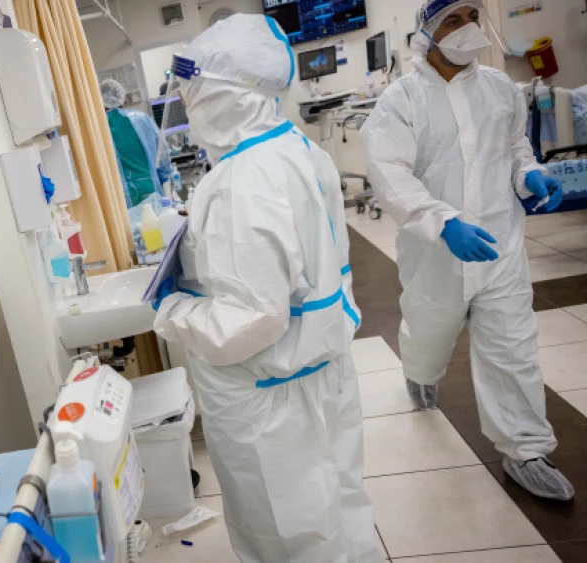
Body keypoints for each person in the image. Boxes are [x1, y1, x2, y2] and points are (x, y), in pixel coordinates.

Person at [152, 14, 380, 562]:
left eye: (195, 89)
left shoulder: (240, 182)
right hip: (321, 373)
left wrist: (172, 308)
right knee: (340, 507)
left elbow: (252, 321)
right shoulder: (297, 149)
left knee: (288, 534)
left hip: (267, 397)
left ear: (230, 93)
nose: (188, 101)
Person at [360, 0, 573, 501]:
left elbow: (515, 147)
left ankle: (525, 449)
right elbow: (389, 172)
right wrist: (442, 220)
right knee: (430, 327)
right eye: (452, 21)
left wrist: (530, 173)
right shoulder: (402, 99)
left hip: (502, 241)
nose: (467, 29)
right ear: (428, 34)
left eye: (473, 17)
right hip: (437, 248)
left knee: (512, 346)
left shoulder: (500, 89)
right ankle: (420, 373)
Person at [100, 78, 173, 209]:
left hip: (122, 196)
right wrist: (163, 177)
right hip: (150, 188)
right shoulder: (141, 118)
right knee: (155, 226)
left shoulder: (99, 127)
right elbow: (162, 153)